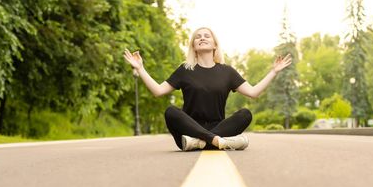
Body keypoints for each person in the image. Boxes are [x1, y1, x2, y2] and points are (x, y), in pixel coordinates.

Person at [123, 27, 292, 151]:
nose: (202, 38)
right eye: (197, 37)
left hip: (209, 131)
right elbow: (158, 91)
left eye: (206, 36)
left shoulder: (227, 71)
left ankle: (201, 142)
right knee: (170, 111)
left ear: (215, 45)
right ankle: (215, 141)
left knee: (245, 114)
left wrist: (273, 71)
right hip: (187, 131)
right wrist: (140, 69)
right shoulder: (185, 70)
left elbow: (254, 93)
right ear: (194, 46)